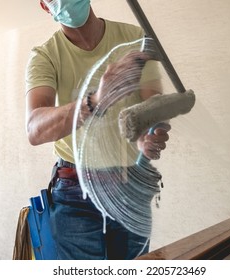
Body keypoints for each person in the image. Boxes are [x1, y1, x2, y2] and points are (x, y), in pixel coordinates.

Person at [25, 0, 170, 260]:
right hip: (74, 192)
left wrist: (150, 131)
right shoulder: (45, 55)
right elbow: (35, 129)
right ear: (45, 6)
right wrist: (94, 102)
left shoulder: (135, 37)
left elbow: (152, 104)